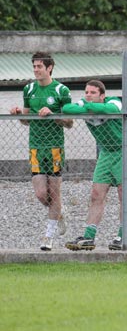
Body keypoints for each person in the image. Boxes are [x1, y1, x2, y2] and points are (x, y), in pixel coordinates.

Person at [63, 80, 127, 251]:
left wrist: (87, 107)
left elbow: (109, 110)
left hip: (125, 150)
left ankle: (122, 235)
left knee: (123, 194)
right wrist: (87, 106)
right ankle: (89, 236)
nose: (88, 95)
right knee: (96, 194)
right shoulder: (85, 103)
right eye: (86, 92)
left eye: (93, 93)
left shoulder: (113, 101)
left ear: (102, 95)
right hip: (105, 152)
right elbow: (67, 109)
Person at [10, 51, 73, 251]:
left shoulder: (61, 90)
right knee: (40, 194)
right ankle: (60, 212)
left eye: (39, 67)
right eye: (34, 66)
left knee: (54, 192)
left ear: (49, 68)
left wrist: (52, 114)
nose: (36, 70)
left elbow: (69, 122)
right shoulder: (29, 89)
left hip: (55, 147)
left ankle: (48, 236)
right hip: (36, 147)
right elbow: (26, 120)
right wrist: (19, 114)